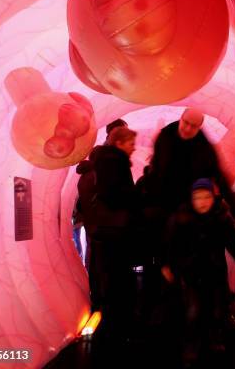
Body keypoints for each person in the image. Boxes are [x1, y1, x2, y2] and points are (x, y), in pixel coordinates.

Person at [161, 178, 235, 366]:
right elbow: (171, 244)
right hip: (191, 273)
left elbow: (233, 243)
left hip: (215, 272)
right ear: (191, 199)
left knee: (217, 308)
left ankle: (215, 339)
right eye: (198, 197)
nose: (202, 201)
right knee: (193, 311)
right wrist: (167, 265)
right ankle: (191, 346)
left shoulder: (222, 218)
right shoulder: (182, 218)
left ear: (214, 198)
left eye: (206, 197)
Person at [89, 125, 138, 341]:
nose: (134, 148)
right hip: (116, 230)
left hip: (109, 229)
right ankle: (121, 325)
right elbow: (115, 194)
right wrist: (135, 197)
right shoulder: (114, 162)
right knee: (119, 275)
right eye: (131, 144)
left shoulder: (108, 161)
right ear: (119, 143)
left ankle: (116, 323)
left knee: (114, 274)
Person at [74, 118, 128, 311]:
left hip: (98, 226)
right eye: (124, 136)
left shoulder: (100, 162)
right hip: (104, 227)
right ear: (114, 137)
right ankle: (105, 304)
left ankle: (101, 301)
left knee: (98, 263)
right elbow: (111, 196)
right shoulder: (108, 162)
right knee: (103, 264)